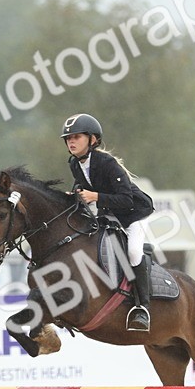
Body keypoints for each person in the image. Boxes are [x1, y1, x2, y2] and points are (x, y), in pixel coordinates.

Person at [61, 113, 155, 331]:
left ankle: (143, 308)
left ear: (92, 139)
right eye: (68, 138)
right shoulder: (74, 163)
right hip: (109, 215)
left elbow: (126, 199)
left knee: (133, 252)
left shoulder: (108, 163)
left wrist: (95, 197)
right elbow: (81, 185)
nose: (71, 142)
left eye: (76, 137)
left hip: (134, 214)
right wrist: (73, 194)